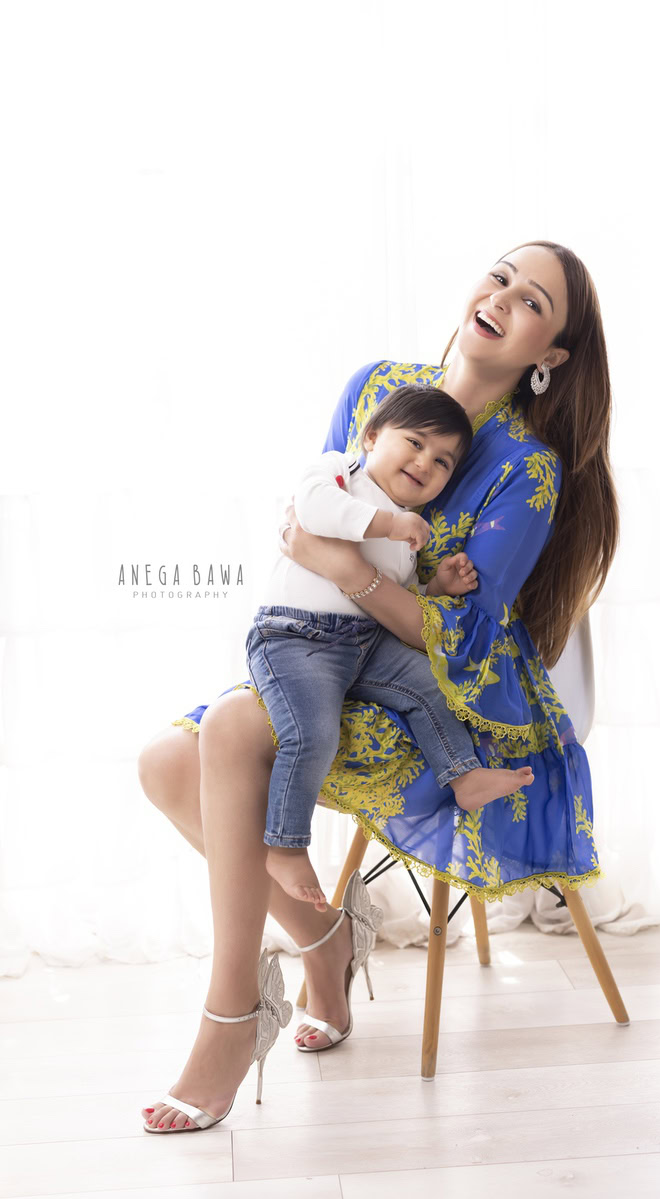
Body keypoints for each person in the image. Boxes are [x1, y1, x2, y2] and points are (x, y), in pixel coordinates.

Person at [137, 240, 619, 1133]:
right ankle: (325, 942)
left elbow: (458, 632)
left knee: (235, 732)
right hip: (321, 642)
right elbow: (308, 514)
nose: (504, 296)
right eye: (502, 275)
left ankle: (231, 1019)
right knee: (166, 759)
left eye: (535, 303)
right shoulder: (374, 387)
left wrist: (345, 569)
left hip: (442, 689)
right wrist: (330, 569)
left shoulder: (526, 468)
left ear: (549, 358)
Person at [249, 382, 534, 912]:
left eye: (444, 461)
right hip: (296, 637)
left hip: (364, 644)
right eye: (416, 442)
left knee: (430, 685)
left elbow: (386, 597)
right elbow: (312, 512)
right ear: (372, 436)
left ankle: (464, 776)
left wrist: (434, 589)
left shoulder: (408, 537)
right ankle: (285, 846)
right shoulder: (338, 473)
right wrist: (389, 522)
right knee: (312, 734)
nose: (426, 462)